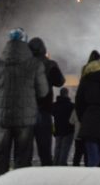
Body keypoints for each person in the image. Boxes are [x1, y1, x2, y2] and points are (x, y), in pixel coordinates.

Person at [0, 28, 48, 177]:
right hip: (25, 120)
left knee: (1, 159)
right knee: (23, 159)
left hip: (1, 120)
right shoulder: (34, 64)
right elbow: (43, 92)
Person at [27, 37, 64, 166]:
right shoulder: (50, 64)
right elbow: (60, 82)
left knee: (24, 150)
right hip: (44, 110)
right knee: (45, 151)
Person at [52, 87, 75, 165]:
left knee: (57, 148)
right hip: (68, 130)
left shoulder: (54, 105)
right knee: (65, 149)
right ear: (67, 94)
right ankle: (62, 164)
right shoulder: (71, 106)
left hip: (58, 130)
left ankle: (55, 163)